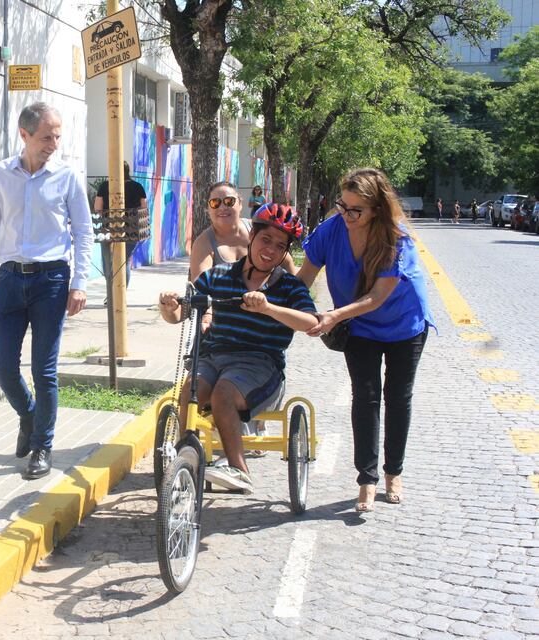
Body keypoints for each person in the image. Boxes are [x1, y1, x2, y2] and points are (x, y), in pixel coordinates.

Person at [0, 102, 93, 480]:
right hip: (9, 278)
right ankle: (28, 415)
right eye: (46, 137)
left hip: (51, 280)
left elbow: (83, 231)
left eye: (57, 136)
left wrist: (80, 282)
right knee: (2, 365)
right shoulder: (2, 173)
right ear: (24, 135)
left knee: (44, 368)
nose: (53, 143)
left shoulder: (67, 177)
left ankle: (42, 446)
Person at [297, 168, 434, 512]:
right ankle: (367, 480)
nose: (346, 215)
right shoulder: (331, 230)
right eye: (342, 205)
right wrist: (271, 302)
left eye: (355, 210)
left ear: (377, 210)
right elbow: (303, 280)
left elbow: (377, 297)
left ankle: (394, 473)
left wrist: (334, 315)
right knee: (366, 396)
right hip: (359, 327)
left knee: (398, 397)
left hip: (404, 324)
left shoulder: (395, 237)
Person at [158, 204, 317, 493]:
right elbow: (181, 313)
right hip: (214, 357)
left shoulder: (290, 287)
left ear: (285, 253)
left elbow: (310, 323)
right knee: (189, 390)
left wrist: (269, 308)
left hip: (260, 365)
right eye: (265, 240)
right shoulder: (218, 276)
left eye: (280, 246)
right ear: (252, 236)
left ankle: (239, 470)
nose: (270, 250)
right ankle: (186, 459)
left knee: (223, 394)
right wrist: (168, 307)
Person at [188, 182, 296, 455]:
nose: (222, 208)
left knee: (252, 363)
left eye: (228, 201)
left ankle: (252, 419)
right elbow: (199, 285)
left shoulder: (260, 232)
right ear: (207, 208)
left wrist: (285, 302)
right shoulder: (204, 242)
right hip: (223, 321)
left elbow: (288, 270)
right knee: (197, 384)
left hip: (260, 325)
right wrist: (206, 314)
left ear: (240, 202)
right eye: (215, 203)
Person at [95, 161, 147, 291]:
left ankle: (111, 294)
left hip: (108, 229)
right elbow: (144, 208)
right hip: (132, 230)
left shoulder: (104, 186)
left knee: (109, 263)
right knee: (124, 263)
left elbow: (97, 208)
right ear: (128, 171)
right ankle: (121, 294)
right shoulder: (138, 186)